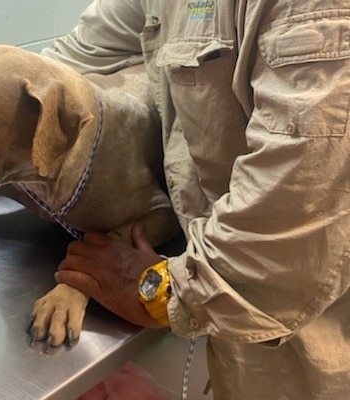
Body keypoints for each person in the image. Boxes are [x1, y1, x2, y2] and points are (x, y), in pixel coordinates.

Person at [42, 1, 350, 399]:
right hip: (230, 313)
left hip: (308, 336)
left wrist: (157, 290)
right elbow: (76, 54)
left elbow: (299, 207)